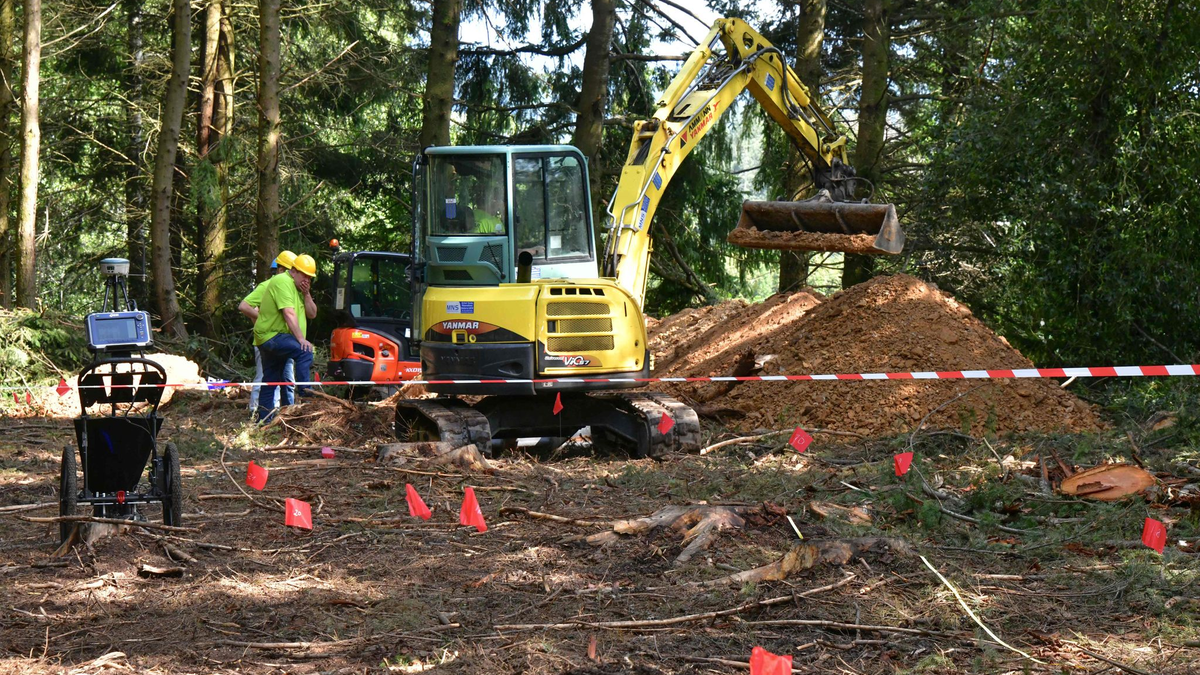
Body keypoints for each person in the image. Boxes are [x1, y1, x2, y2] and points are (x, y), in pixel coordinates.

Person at [246, 253, 319, 422]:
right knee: (305, 351)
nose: (306, 280)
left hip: (275, 337)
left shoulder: (299, 288)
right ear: (293, 271)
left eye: (310, 277)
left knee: (270, 379)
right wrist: (301, 339)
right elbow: (288, 313)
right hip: (271, 336)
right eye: (304, 275)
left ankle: (263, 421)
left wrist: (307, 294)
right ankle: (306, 395)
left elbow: (312, 313)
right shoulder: (282, 281)